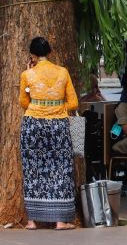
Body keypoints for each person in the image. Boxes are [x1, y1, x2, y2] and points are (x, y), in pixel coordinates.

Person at [19, 37, 78, 230]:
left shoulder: (27, 75)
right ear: (50, 53)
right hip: (58, 126)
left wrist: (39, 107)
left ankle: (32, 221)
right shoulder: (62, 72)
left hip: (32, 126)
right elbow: (74, 104)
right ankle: (61, 221)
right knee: (61, 169)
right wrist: (57, 108)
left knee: (33, 170)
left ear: (33, 56)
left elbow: (23, 103)